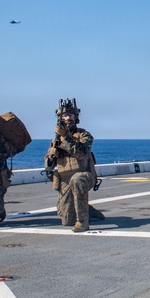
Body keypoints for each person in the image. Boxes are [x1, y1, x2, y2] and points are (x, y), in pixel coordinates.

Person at [45, 98, 104, 232]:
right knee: (67, 220)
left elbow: (82, 153)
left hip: (83, 176)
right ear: (60, 118)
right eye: (65, 115)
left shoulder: (84, 135)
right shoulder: (56, 140)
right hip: (65, 179)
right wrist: (51, 156)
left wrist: (65, 138)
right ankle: (87, 210)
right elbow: (48, 166)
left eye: (71, 115)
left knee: (77, 180)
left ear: (76, 117)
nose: (68, 118)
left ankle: (83, 222)